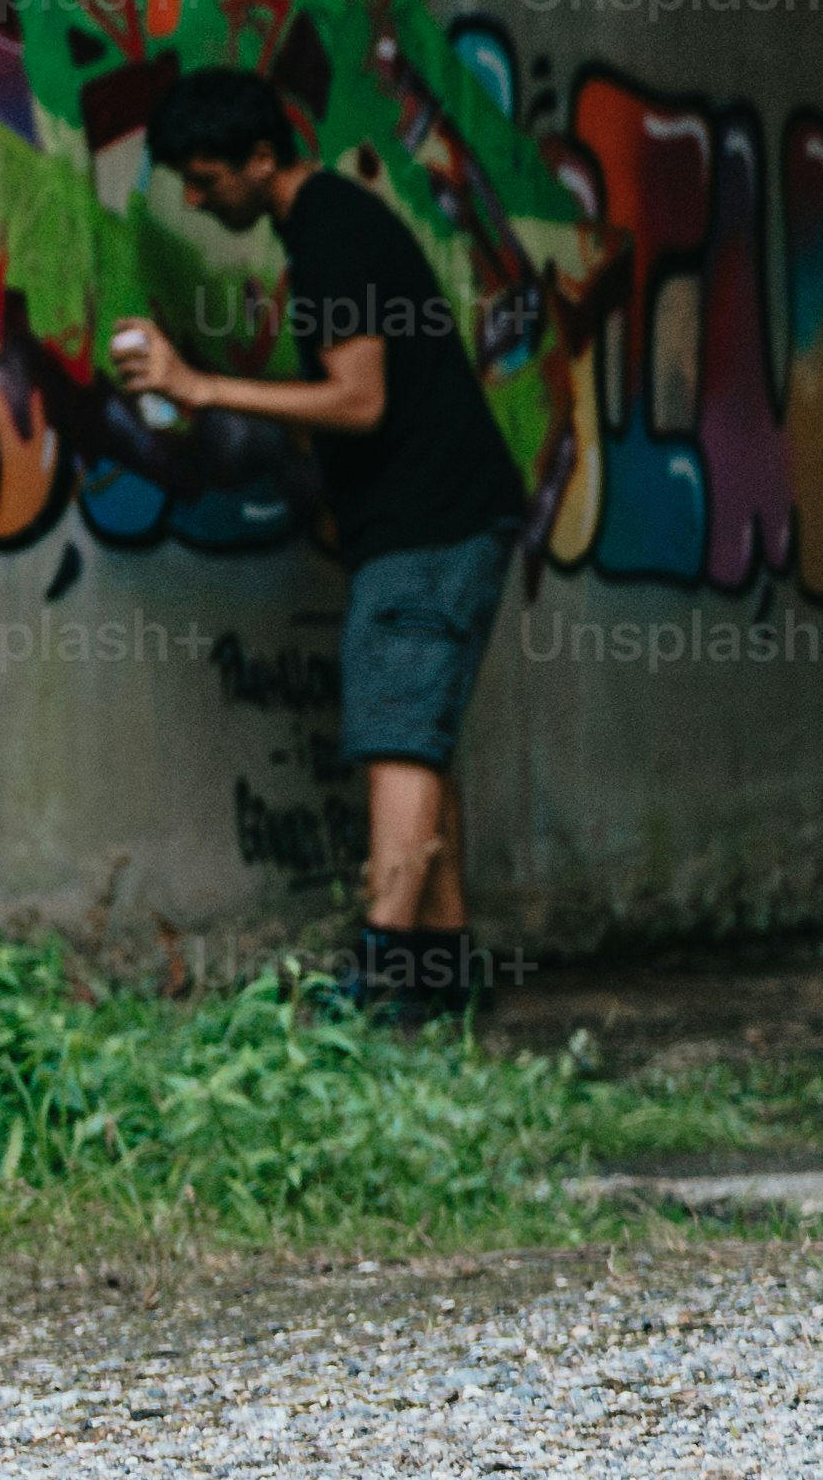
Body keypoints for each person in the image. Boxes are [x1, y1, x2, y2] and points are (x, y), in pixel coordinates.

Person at [109, 68, 542, 1026]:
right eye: (183, 176)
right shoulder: (328, 228)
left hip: (431, 522)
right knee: (417, 742)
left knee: (396, 735)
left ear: (264, 159)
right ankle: (439, 975)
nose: (194, 195)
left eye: (208, 175)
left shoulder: (334, 235)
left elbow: (361, 400)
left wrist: (203, 387)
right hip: (432, 516)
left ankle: (384, 971)